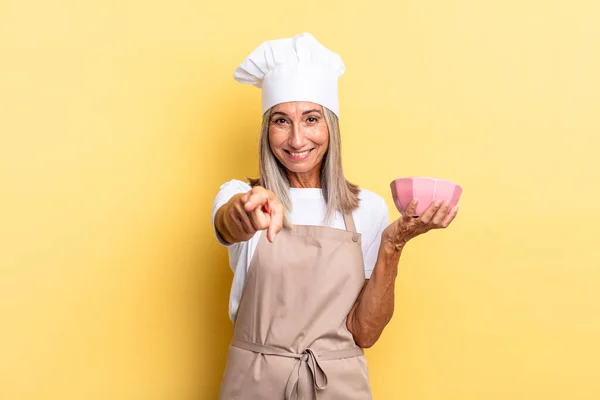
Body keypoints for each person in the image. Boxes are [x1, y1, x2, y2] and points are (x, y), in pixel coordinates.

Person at [211, 32, 458, 400]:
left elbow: (365, 333)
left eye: (311, 119)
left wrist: (393, 244)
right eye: (281, 121)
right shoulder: (240, 197)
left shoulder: (367, 209)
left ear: (331, 126)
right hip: (255, 384)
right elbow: (230, 223)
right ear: (267, 130)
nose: (296, 139)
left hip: (338, 387)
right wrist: (247, 213)